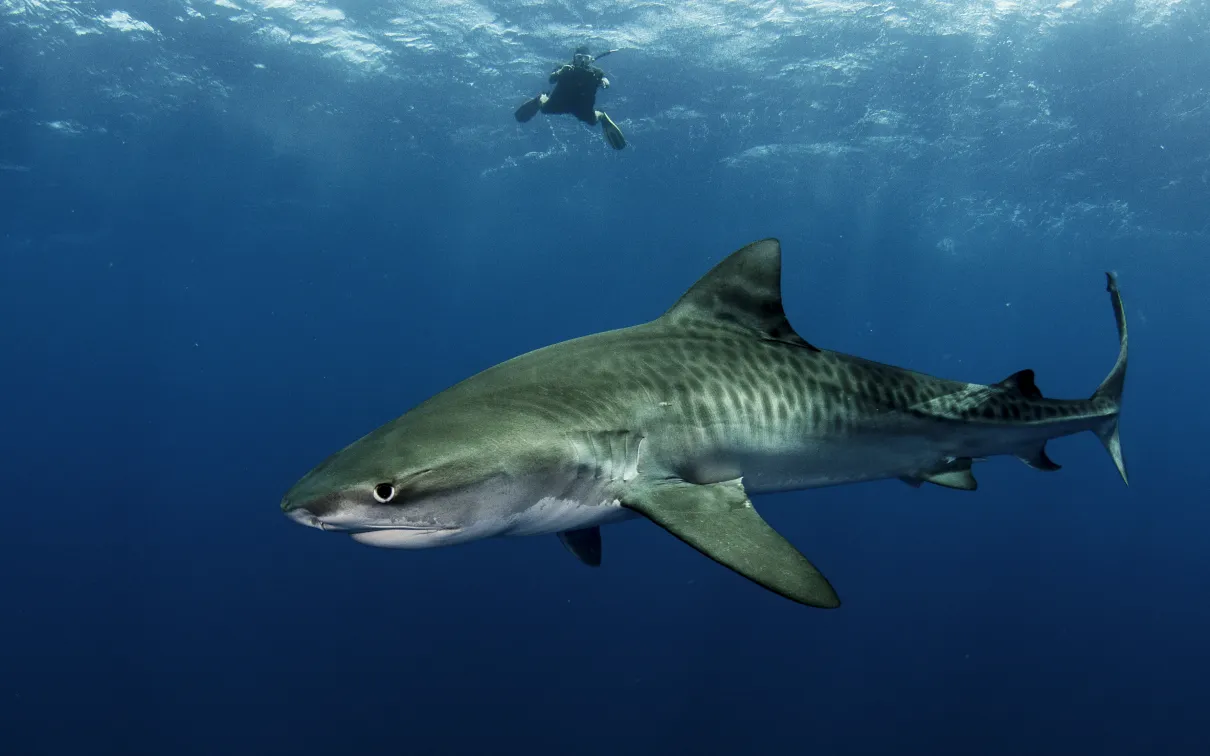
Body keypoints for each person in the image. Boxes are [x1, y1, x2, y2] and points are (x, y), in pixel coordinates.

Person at [514, 46, 626, 150]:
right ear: (574, 58)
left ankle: (601, 116)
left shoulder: (596, 73)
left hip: (581, 107)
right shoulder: (565, 68)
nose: (582, 61)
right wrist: (560, 72)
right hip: (559, 102)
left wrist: (604, 83)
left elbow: (606, 81)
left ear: (590, 59)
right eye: (579, 57)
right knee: (544, 109)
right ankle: (541, 98)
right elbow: (551, 79)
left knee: (592, 121)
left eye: (585, 58)